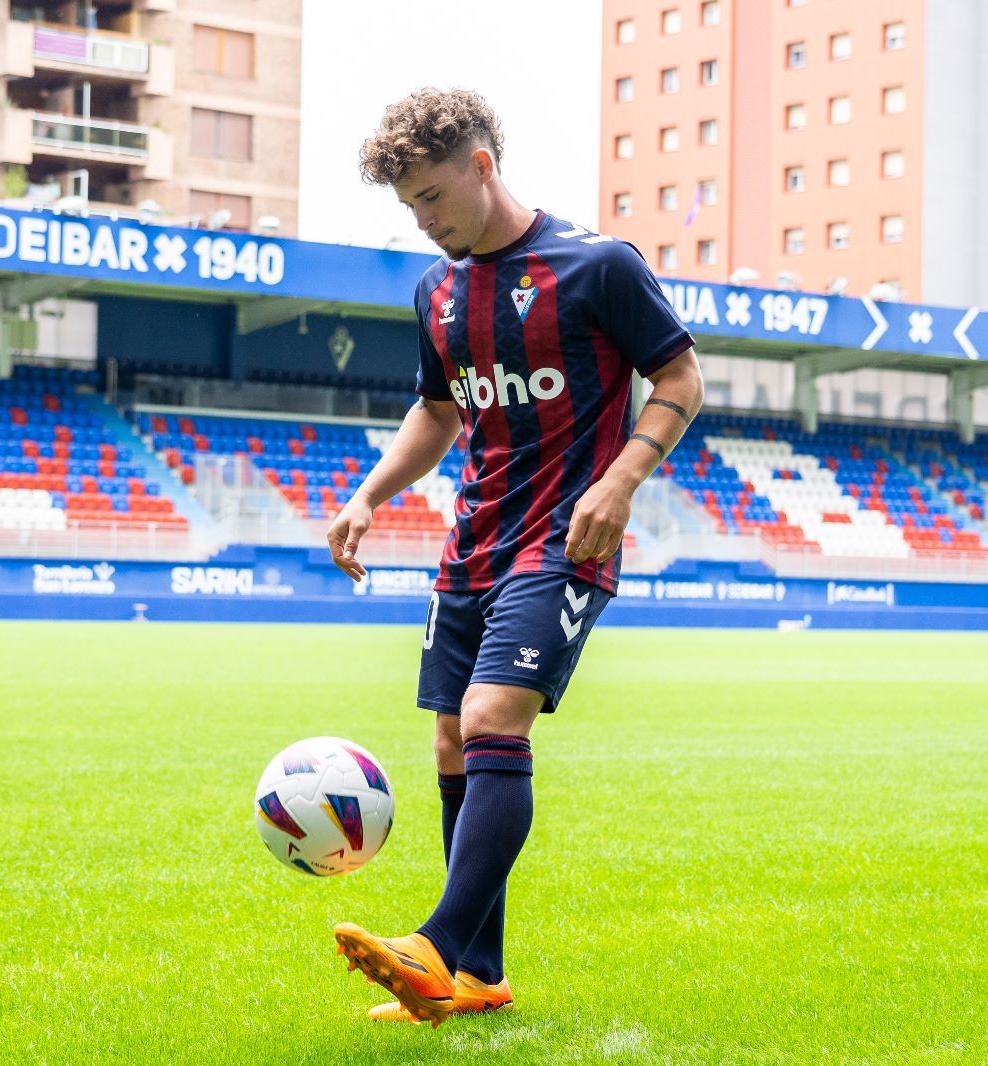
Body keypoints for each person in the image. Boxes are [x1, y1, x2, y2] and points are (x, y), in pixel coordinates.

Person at [325, 88, 705, 1028]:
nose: (423, 220)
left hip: (564, 539)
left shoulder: (596, 266)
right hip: (474, 540)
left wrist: (620, 481)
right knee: (453, 740)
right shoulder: (438, 291)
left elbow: (680, 378)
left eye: (432, 198)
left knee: (496, 718)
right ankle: (479, 975)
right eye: (408, 206)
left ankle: (434, 947)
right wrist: (371, 494)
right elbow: (440, 411)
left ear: (482, 166)